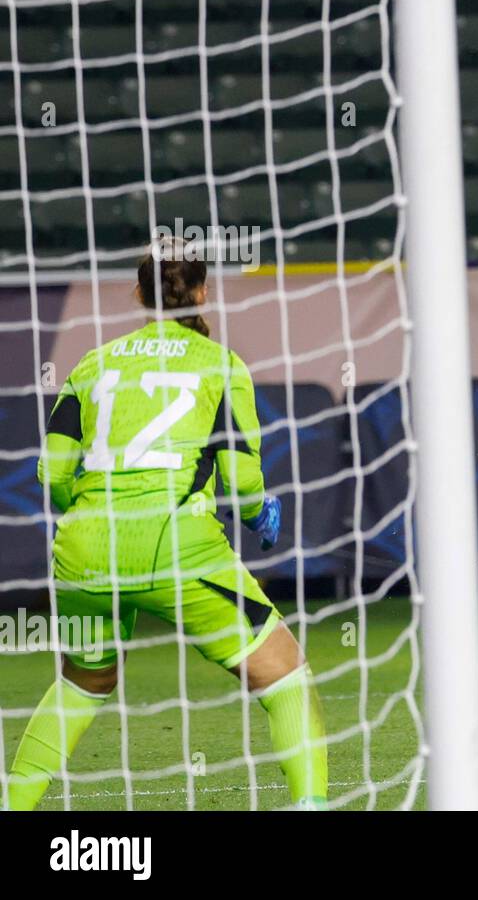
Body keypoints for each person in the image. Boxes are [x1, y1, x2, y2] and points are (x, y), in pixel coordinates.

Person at [4, 238, 328, 810]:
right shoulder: (221, 367)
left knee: (85, 682)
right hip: (176, 546)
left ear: (139, 293)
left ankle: (14, 803)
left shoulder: (91, 365)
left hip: (83, 550)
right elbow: (243, 483)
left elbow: (51, 473)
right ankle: (312, 806)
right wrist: (260, 516)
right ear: (203, 291)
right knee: (286, 678)